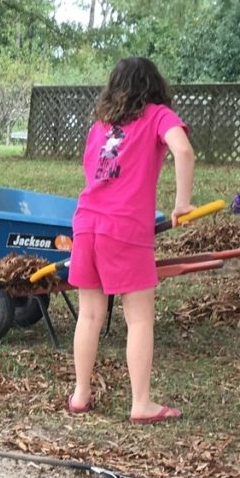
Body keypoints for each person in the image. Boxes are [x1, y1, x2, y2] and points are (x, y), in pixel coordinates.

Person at [66, 56, 195, 425]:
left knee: (90, 314)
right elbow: (183, 150)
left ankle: (80, 396)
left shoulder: (101, 126)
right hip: (125, 228)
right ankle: (141, 403)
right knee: (139, 319)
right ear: (154, 86)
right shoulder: (158, 115)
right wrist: (182, 203)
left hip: (86, 223)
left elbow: (91, 171)